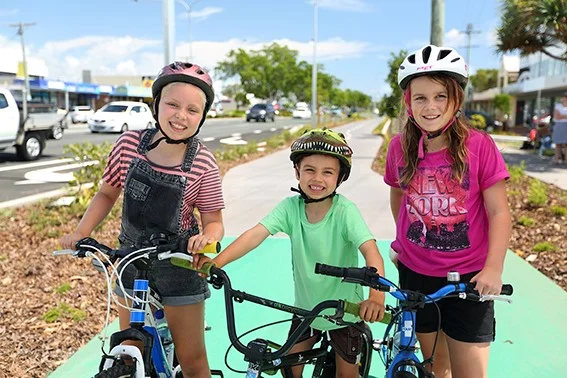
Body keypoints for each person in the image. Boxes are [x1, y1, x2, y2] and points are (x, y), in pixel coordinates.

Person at [60, 61, 225, 378]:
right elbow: (107, 194)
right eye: (172, 104)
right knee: (130, 348)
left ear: (202, 116)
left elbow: (214, 220)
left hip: (179, 264)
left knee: (192, 361)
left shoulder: (202, 161)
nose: (180, 115)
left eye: (192, 110)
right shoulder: (128, 145)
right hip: (130, 260)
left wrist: (207, 238)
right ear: (157, 105)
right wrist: (81, 233)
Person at [197, 128, 386, 378]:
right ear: (297, 172)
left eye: (327, 172)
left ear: (340, 178)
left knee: (347, 375)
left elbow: (371, 252)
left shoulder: (345, 212)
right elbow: (255, 235)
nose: (317, 178)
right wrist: (216, 262)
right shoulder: (290, 208)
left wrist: (376, 298)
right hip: (306, 311)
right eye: (309, 170)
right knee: (289, 368)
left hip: (344, 314)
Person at [384, 45, 512, 378]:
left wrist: (493, 269)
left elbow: (499, 212)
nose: (430, 107)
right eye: (421, 98)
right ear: (408, 102)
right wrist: (402, 242)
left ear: (456, 98)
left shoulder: (479, 146)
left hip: (469, 278)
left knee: (470, 373)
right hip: (416, 276)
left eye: (440, 96)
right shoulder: (400, 147)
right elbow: (398, 195)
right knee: (435, 369)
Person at [552, 93, 567, 166]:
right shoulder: (558, 106)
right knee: (558, 144)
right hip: (559, 126)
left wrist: (562, 115)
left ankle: (566, 161)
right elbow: (556, 117)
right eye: (565, 97)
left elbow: (560, 116)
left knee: (566, 144)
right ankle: (556, 159)